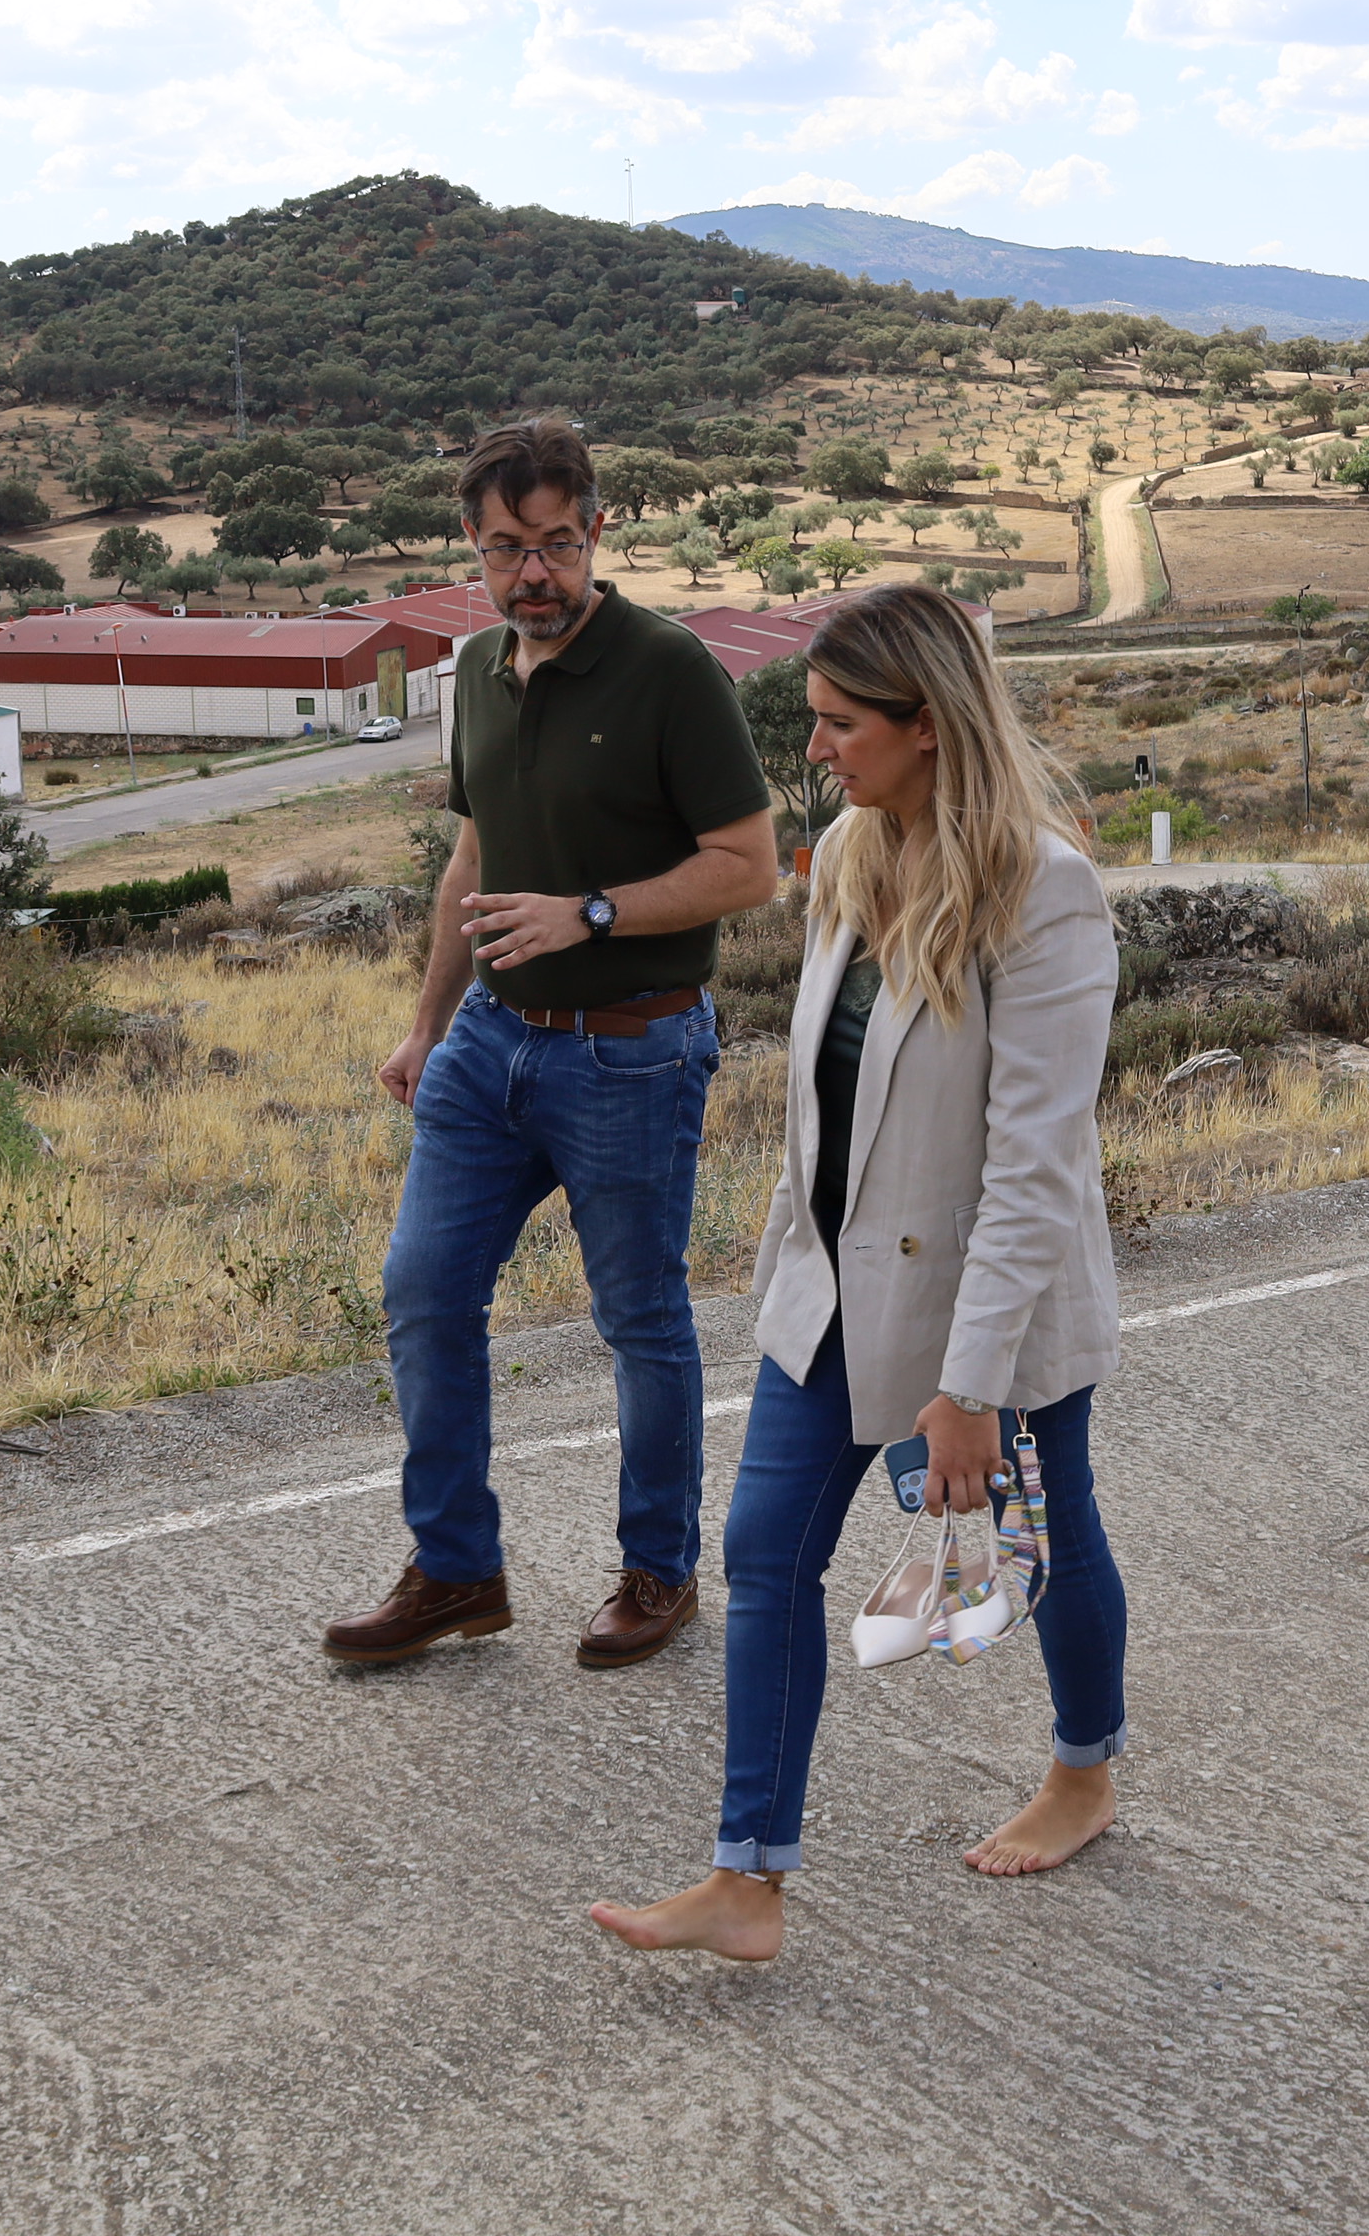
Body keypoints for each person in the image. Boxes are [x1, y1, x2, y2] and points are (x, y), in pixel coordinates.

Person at [588, 585, 1126, 1961]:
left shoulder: (1047, 894)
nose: (816, 748)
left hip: (980, 1309)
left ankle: (1081, 1773)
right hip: (829, 1292)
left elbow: (1034, 1169)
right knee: (764, 1558)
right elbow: (832, 1100)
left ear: (928, 726)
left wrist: (968, 1388)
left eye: (839, 724)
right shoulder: (847, 851)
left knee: (1041, 1547)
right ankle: (746, 1880)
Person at [328, 418, 782, 1672]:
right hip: (487, 1043)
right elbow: (470, 860)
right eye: (502, 549)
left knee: (637, 1315)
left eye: (553, 544)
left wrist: (587, 911)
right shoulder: (476, 669)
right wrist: (425, 1025)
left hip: (628, 1048)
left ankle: (657, 1568)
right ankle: (457, 1570)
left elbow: (749, 868)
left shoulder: (670, 668)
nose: (531, 573)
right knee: (422, 1292)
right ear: (470, 550)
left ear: (598, 531)